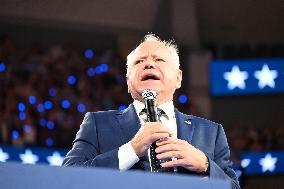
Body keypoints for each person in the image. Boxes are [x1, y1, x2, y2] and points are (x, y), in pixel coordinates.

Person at [62, 34, 240, 189]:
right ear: (128, 81)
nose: (148, 64)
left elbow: (232, 186)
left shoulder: (211, 132)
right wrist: (131, 150)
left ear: (178, 78)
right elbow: (68, 178)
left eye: (159, 60)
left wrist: (205, 165)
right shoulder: (97, 124)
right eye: (139, 61)